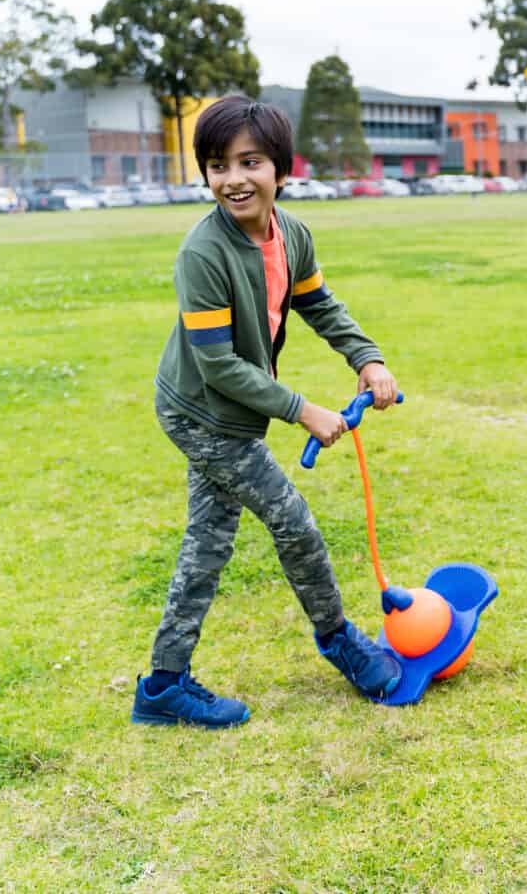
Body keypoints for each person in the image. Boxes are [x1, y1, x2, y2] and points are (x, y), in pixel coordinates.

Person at [132, 96, 402, 729]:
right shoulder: (203, 253)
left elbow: (321, 306)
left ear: (281, 169)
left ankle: (163, 685)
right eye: (218, 165)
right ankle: (341, 641)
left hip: (226, 408)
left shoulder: (292, 234)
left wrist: (367, 359)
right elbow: (218, 366)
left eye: (249, 162)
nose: (233, 179)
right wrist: (301, 409)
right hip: (199, 412)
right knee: (294, 522)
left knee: (207, 544)